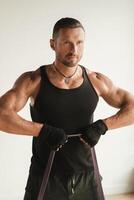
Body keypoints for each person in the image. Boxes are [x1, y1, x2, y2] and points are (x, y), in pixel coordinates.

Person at [0, 17, 134, 200]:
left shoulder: (96, 80)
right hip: (46, 176)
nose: (74, 50)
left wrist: (103, 125)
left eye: (79, 43)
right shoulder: (33, 81)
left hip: (87, 175)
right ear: (53, 44)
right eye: (67, 43)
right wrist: (43, 130)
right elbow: (2, 115)